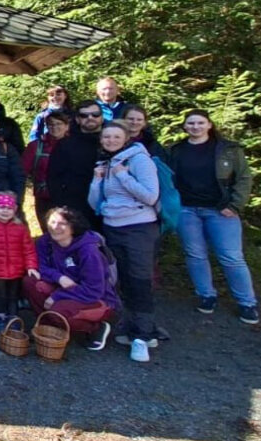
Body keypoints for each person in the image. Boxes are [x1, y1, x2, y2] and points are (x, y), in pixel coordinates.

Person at [168, 110, 259, 325]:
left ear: (209, 125)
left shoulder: (228, 150)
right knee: (195, 254)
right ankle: (206, 295)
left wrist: (235, 205)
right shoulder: (176, 150)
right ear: (185, 126)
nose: (195, 127)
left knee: (231, 257)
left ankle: (247, 302)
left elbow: (244, 178)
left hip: (220, 210)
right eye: (191, 123)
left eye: (200, 123)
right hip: (187, 210)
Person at [87, 122, 161, 363]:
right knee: (121, 279)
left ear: (127, 137)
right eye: (106, 137)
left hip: (139, 227)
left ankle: (143, 336)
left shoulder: (139, 160)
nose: (110, 140)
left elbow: (151, 196)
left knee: (139, 279)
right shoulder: (106, 162)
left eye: (116, 136)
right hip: (112, 225)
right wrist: (97, 180)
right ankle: (131, 327)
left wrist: (123, 176)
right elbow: (95, 203)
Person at [23, 207, 120, 351]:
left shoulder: (88, 251)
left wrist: (57, 296)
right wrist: (59, 277)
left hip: (94, 298)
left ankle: (96, 328)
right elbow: (40, 267)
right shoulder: (45, 241)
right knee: (30, 282)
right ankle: (48, 326)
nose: (55, 227)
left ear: (73, 226)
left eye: (62, 223)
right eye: (52, 222)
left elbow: (93, 290)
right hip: (64, 288)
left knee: (58, 311)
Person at [0, 192, 38, 329]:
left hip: (16, 270)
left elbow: (28, 249)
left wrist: (31, 266)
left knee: (13, 296)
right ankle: (0, 318)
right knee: (0, 296)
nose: (5, 211)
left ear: (14, 210)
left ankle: (13, 319)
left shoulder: (20, 228)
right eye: (1, 207)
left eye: (9, 208)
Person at [47, 100, 105, 228]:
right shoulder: (65, 144)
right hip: (77, 207)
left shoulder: (113, 140)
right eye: (84, 115)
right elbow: (54, 179)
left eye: (95, 114)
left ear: (102, 117)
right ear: (77, 119)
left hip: (112, 207)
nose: (90, 118)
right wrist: (62, 208)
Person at [23, 110, 71, 232]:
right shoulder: (36, 146)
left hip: (69, 197)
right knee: (48, 232)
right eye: (51, 124)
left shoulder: (75, 146)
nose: (54, 127)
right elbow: (22, 171)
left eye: (59, 124)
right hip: (44, 197)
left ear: (67, 126)